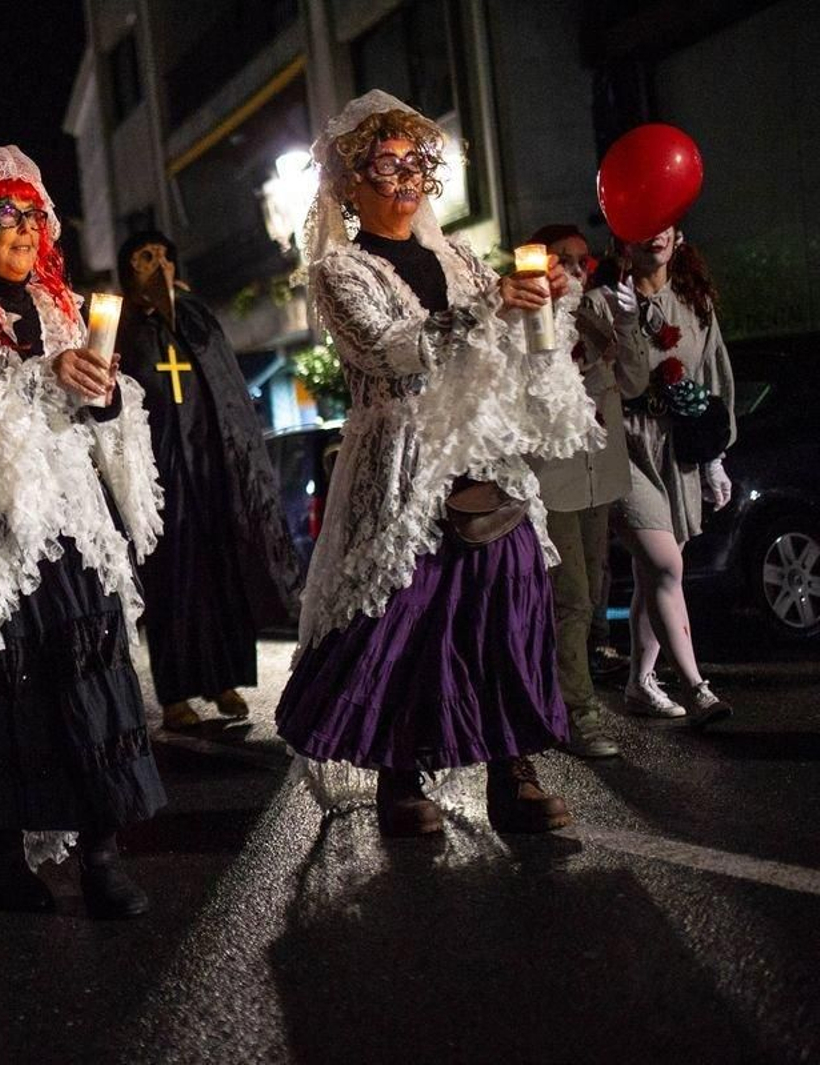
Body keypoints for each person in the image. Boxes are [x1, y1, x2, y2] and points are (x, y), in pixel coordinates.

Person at [274, 91, 602, 837]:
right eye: (385, 165)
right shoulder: (341, 270)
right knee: (408, 618)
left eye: (416, 162)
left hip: (480, 455)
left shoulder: (456, 256)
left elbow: (513, 350)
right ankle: (398, 772)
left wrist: (542, 305)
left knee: (509, 600)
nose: (406, 179)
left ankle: (512, 768)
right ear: (349, 184)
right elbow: (391, 353)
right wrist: (493, 312)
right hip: (402, 463)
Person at [0, 145, 166, 918]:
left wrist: (105, 393)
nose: (21, 229)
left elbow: (92, 413)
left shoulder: (62, 311)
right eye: (1, 216)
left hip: (68, 524)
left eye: (30, 214)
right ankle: (4, 851)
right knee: (0, 688)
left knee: (88, 676)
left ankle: (102, 853)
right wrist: (40, 379)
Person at [113, 229, 299, 730]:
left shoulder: (194, 317)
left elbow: (224, 383)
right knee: (174, 579)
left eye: (165, 256)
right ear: (129, 268)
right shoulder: (121, 324)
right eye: (145, 256)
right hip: (162, 468)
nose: (158, 265)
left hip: (209, 458)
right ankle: (175, 695)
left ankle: (224, 679)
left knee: (219, 572)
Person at [579, 226, 735, 725]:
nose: (656, 236)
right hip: (620, 443)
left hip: (675, 446)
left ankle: (640, 683)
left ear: (680, 235)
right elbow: (587, 377)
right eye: (642, 228)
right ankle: (696, 687)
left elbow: (712, 374)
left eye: (664, 225)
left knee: (656, 574)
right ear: (622, 244)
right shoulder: (600, 305)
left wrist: (714, 458)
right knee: (665, 564)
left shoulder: (694, 301)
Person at [526, 224, 628, 759]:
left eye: (583, 261)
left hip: (598, 476)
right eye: (562, 259)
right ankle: (577, 715)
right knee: (573, 601)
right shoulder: (529, 318)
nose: (575, 269)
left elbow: (631, 382)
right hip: (554, 480)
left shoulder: (599, 313)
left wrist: (624, 319)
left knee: (592, 600)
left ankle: (564, 698)